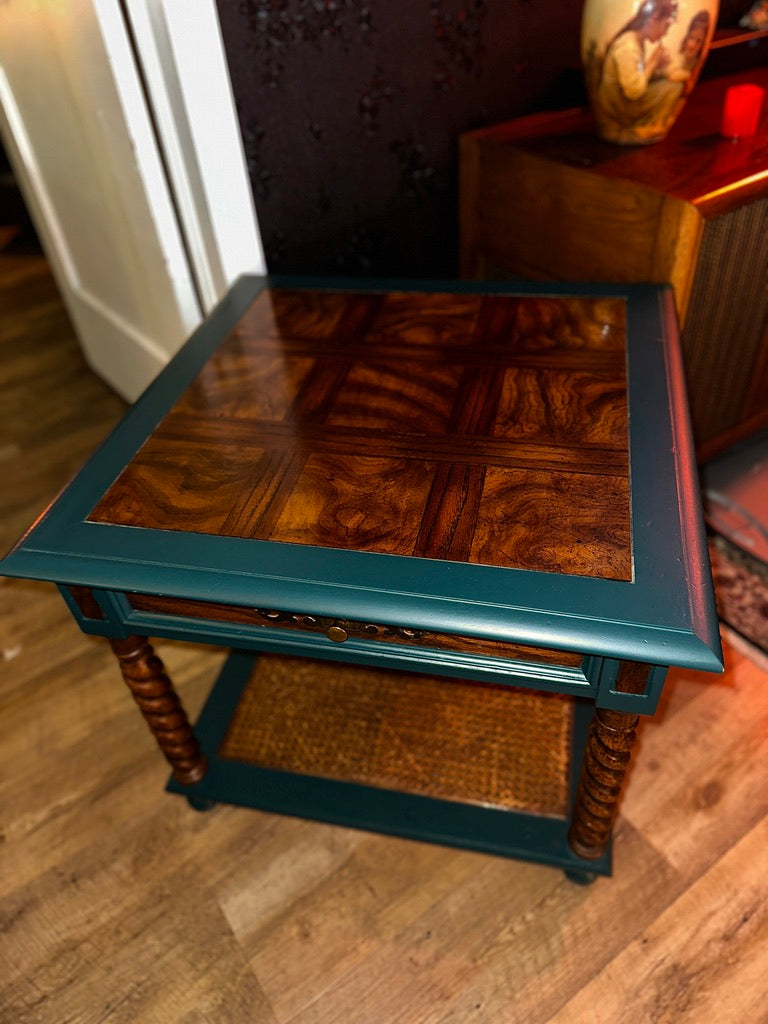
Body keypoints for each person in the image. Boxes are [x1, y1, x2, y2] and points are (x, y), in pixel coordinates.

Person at [594, 0, 681, 141]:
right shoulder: (628, 45)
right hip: (618, 107)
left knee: (670, 83)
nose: (665, 33)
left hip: (620, 102)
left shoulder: (636, 40)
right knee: (673, 87)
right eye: (666, 26)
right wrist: (653, 63)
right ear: (654, 17)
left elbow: (637, 75)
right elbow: (633, 91)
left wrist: (658, 68)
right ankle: (643, 127)